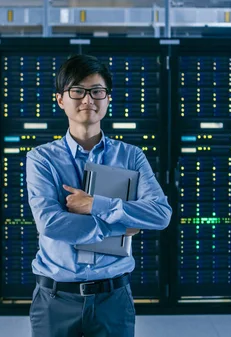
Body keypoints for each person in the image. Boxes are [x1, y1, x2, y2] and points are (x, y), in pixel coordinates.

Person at [26, 54, 172, 337]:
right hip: (55, 301)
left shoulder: (131, 156)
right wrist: (119, 223)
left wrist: (95, 204)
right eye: (77, 91)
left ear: (108, 98)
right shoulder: (41, 159)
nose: (88, 100)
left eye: (97, 91)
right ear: (60, 99)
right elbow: (51, 224)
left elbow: (160, 213)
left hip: (113, 300)